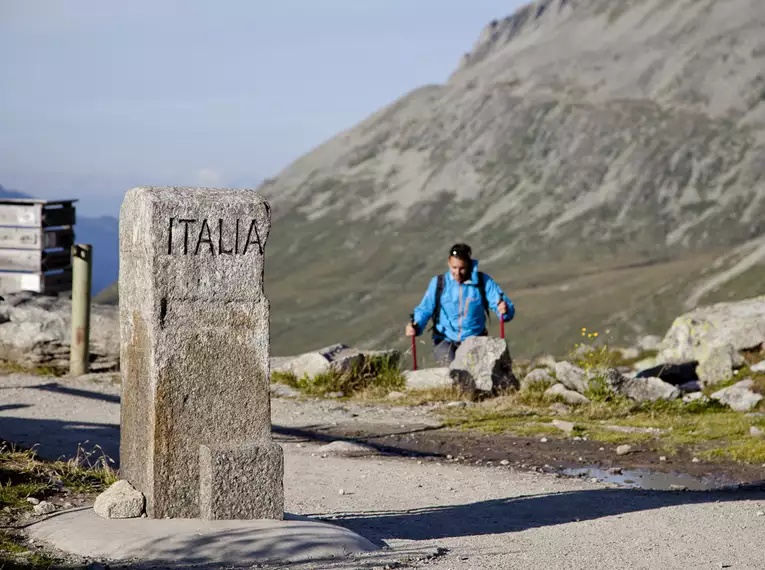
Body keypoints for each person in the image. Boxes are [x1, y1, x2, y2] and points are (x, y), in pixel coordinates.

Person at [405, 243, 515, 365]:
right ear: (448, 263)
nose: (457, 273)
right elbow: (425, 309)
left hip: (475, 340)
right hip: (444, 340)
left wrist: (505, 310)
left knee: (473, 376)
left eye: (462, 268)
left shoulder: (483, 281)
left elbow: (503, 306)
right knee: (451, 375)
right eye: (454, 268)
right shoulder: (439, 283)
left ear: (469, 264)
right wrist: (416, 325)